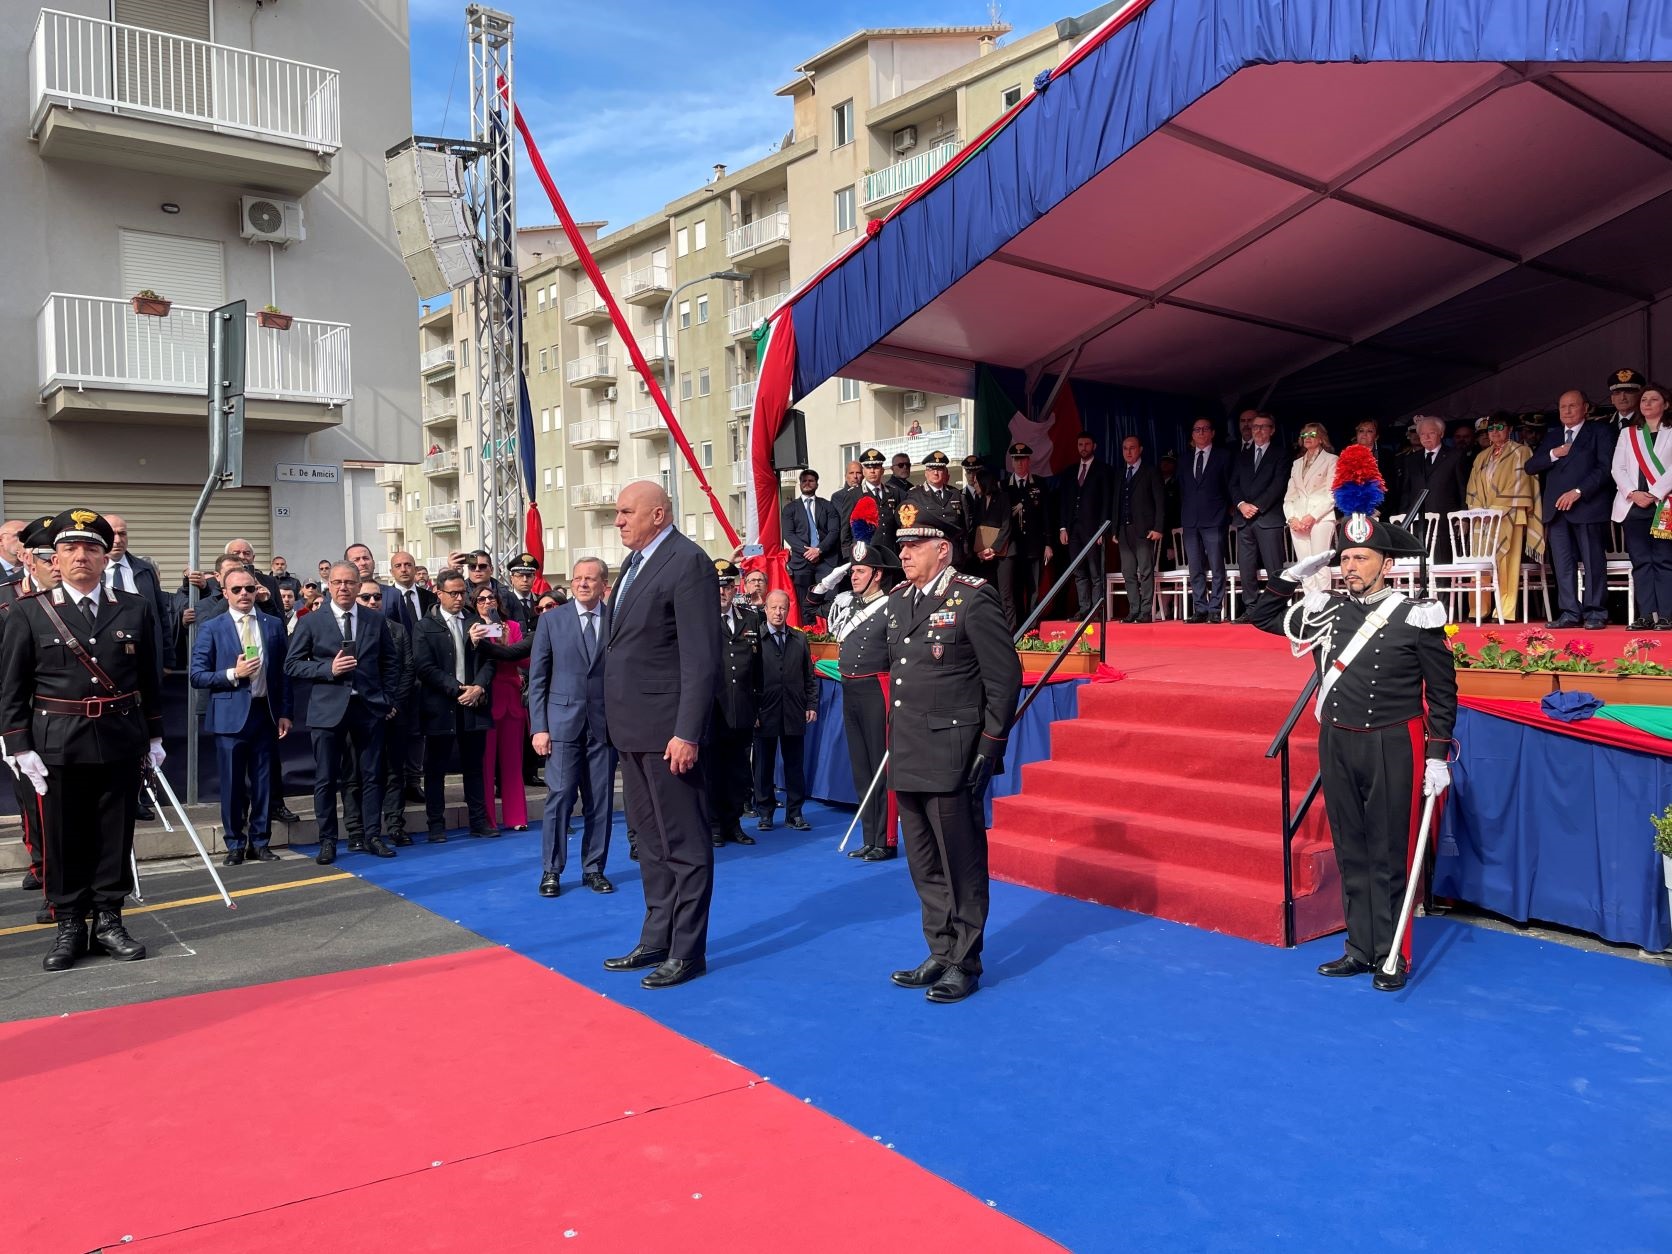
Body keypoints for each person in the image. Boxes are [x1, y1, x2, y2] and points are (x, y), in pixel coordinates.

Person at [1247, 490, 1457, 993]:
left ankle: (1392, 953)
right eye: (1344, 558)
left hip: (1394, 742)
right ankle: (1360, 948)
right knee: (1351, 848)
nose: (1352, 566)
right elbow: (1258, 615)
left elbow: (1444, 693)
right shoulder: (1328, 611)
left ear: (1386, 563)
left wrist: (1437, 754)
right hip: (1338, 742)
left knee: (1390, 851)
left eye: (1362, 557)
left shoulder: (1416, 615)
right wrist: (1292, 575)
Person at [0, 509, 165, 971]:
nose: (80, 557)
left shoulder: (134, 608)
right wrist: (18, 746)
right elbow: (12, 687)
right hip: (57, 744)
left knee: (115, 834)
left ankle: (110, 919)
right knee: (63, 837)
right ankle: (70, 922)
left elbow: (149, 679)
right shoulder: (29, 612)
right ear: (54, 558)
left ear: (104, 556)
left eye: (91, 548)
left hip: (118, 739)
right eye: (70, 548)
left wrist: (154, 736)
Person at [885, 500, 1021, 1003]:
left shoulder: (973, 599)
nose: (905, 555)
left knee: (960, 862)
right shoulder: (901, 599)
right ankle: (940, 949)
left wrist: (990, 745)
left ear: (942, 550)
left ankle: (965, 961)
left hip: (953, 753)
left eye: (915, 546)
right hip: (910, 751)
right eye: (902, 547)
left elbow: (1004, 680)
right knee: (923, 863)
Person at [600, 481, 720, 990]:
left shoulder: (687, 561)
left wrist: (686, 732)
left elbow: (700, 657)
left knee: (684, 845)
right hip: (631, 729)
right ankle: (656, 938)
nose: (619, 521)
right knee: (649, 844)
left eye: (627, 512)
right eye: (617, 513)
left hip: (668, 733)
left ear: (658, 513)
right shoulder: (634, 563)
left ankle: (688, 951)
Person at [284, 561, 398, 865]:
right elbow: (292, 665)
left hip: (368, 708)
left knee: (372, 776)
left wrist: (385, 699)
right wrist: (328, 669)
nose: (343, 587)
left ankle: (373, 835)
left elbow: (390, 663)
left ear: (360, 586)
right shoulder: (311, 621)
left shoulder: (375, 620)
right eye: (337, 582)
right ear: (328, 585)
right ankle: (328, 841)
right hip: (327, 710)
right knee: (325, 778)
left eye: (350, 582)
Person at [189, 566, 293, 864]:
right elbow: (197, 675)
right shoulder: (213, 627)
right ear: (225, 593)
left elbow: (283, 673)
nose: (244, 594)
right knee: (233, 784)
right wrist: (234, 673)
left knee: (263, 783)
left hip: (265, 713)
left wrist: (285, 712)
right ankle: (235, 842)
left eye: (249, 588)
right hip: (230, 716)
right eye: (237, 590)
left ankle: (260, 841)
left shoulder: (272, 624)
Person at [529, 556, 616, 896]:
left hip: (604, 728)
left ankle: (594, 868)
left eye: (590, 579)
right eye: (577, 577)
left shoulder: (616, 621)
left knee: (601, 802)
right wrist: (539, 727)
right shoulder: (552, 621)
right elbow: (537, 679)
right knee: (560, 798)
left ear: (603, 585)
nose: (582, 583)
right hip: (562, 727)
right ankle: (551, 870)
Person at [821, 535, 902, 861]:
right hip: (851, 689)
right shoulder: (849, 604)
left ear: (877, 574)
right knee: (861, 768)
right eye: (852, 571)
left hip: (876, 688)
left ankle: (886, 840)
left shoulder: (892, 605)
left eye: (859, 571)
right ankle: (870, 836)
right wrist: (833, 576)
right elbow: (814, 600)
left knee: (881, 768)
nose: (852, 576)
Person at [411, 569, 497, 840]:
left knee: (474, 767)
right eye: (454, 593)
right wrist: (456, 688)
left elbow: (489, 660)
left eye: (463, 592)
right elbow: (424, 667)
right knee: (435, 769)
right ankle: (435, 825)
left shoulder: (474, 621)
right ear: (439, 593)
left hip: (473, 704)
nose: (460, 598)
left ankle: (478, 821)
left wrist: (478, 687)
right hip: (441, 706)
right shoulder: (425, 626)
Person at [1526, 390, 1615, 629]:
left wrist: (1578, 492)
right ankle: (1569, 612)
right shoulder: (1554, 436)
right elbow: (1531, 466)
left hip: (1587, 505)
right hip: (1557, 511)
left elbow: (1605, 469)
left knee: (1593, 562)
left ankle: (1596, 612)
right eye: (1562, 406)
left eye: (1572, 406)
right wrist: (1555, 453)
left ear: (1585, 407)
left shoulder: (1600, 431)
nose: (1566, 411)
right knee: (1562, 564)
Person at [1465, 413, 1543, 621]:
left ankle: (1504, 609)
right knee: (1480, 562)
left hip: (1509, 514)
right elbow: (1472, 487)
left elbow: (1520, 481)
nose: (1495, 432)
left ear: (1509, 429)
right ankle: (1478, 609)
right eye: (1491, 429)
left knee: (1506, 561)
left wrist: (1496, 509)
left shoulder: (1521, 451)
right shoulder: (1482, 456)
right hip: (1483, 519)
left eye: (1500, 427)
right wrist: (1480, 511)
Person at [752, 589, 817, 832]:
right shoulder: (755, 639)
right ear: (766, 609)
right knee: (763, 766)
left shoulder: (799, 639)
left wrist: (811, 704)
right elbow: (749, 679)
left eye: (783, 608)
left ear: (788, 611)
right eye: (774, 608)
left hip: (793, 710)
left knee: (794, 765)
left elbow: (808, 676)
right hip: (764, 712)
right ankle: (765, 813)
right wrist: (753, 711)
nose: (779, 613)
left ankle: (795, 814)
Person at [707, 560, 760, 848]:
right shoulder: (701, 620)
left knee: (739, 770)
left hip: (741, 707)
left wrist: (758, 706)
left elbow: (758, 666)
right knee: (713, 769)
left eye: (727, 586)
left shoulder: (749, 619)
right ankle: (714, 824)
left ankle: (734, 823)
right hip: (713, 710)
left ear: (734, 587)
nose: (722, 592)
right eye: (717, 587)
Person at [1612, 381, 1672, 628]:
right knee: (1641, 562)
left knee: (1664, 560)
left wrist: (1655, 493)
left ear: (1666, 404)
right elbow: (1618, 467)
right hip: (1633, 506)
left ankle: (1667, 615)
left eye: (1653, 399)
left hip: (1664, 505)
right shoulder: (1629, 433)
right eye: (1644, 400)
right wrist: (1633, 493)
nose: (1647, 403)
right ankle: (1647, 615)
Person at [473, 584, 528, 832]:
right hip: (486, 699)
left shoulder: (512, 627)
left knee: (513, 762)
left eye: (491, 597)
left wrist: (507, 645)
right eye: (481, 599)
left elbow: (524, 659)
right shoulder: (472, 627)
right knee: (484, 763)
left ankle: (516, 816)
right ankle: (487, 819)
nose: (487, 602)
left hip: (511, 698)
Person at [1228, 414, 1291, 621]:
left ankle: (1276, 610)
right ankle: (1251, 609)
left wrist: (1257, 506)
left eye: (1263, 427)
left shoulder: (1280, 453)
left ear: (1272, 430)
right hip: (1244, 519)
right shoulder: (1243, 455)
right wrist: (1241, 505)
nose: (1258, 430)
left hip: (1268, 517)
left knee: (1274, 567)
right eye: (1255, 427)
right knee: (1246, 568)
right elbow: (1233, 484)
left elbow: (1278, 483)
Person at [1178, 417, 1234, 622]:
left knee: (1217, 566)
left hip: (1215, 518)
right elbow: (1183, 489)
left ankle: (1215, 609)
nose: (1201, 433)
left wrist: (1226, 510)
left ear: (1212, 433)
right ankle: (1200, 608)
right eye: (1197, 430)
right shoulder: (1184, 459)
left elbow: (1229, 487)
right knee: (1195, 567)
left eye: (1205, 429)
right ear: (1192, 435)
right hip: (1190, 520)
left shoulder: (1223, 456)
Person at [1391, 417, 1467, 562]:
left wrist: (1463, 516)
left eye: (1431, 433)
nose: (1426, 438)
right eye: (1422, 434)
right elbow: (1406, 492)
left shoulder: (1455, 456)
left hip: (1445, 521)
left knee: (1441, 564)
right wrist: (1403, 518)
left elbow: (1462, 488)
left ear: (1441, 434)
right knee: (1418, 564)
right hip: (1417, 522)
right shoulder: (1411, 460)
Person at [1055, 433, 1114, 620]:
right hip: (1073, 529)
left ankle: (1097, 611)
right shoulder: (1070, 471)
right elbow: (1064, 501)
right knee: (1078, 571)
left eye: (1087, 444)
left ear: (1094, 446)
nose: (1083, 447)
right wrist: (1063, 527)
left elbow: (1106, 501)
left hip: (1094, 529)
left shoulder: (1103, 470)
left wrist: (1103, 529)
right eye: (1080, 444)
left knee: (1096, 571)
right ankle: (1084, 609)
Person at [998, 442, 1054, 631]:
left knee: (1034, 588)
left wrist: (1048, 543)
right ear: (1011, 463)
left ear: (1028, 461)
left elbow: (1046, 515)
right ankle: (1019, 626)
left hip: (1034, 546)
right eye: (1016, 460)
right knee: (1015, 588)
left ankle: (1032, 626)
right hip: (1012, 548)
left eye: (1022, 459)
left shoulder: (1039, 483)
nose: (1019, 463)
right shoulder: (1004, 486)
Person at [1114, 435, 1166, 623]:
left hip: (1145, 529)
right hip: (1124, 529)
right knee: (1128, 572)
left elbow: (1160, 502)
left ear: (1140, 449)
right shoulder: (1120, 474)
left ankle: (1145, 611)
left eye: (1132, 448)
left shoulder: (1150, 471)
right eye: (1125, 448)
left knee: (1145, 570)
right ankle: (1133, 609)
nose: (1128, 452)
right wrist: (1114, 529)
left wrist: (1158, 527)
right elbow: (1116, 503)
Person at [1282, 425, 1340, 593]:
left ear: (1321, 437)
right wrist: (1292, 518)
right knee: (1304, 565)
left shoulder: (1331, 460)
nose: (1307, 437)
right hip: (1298, 519)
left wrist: (1312, 516)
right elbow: (1289, 496)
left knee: (1319, 562)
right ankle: (1309, 604)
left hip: (1321, 517)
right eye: (1304, 434)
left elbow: (1331, 494)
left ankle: (1324, 603)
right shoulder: (1296, 463)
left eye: (1312, 434)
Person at [782, 469, 841, 623]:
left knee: (830, 599)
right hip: (801, 562)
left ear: (817, 484)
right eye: (804, 481)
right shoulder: (790, 508)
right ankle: (807, 635)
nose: (807, 484)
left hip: (826, 560)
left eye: (811, 481)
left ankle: (830, 635)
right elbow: (788, 534)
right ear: (800, 484)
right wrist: (808, 552)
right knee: (804, 604)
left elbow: (834, 531)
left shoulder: (827, 506)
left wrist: (819, 550)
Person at [845, 449, 902, 552]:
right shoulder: (854, 494)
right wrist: (847, 554)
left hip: (890, 551)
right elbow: (845, 529)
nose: (872, 471)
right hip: (866, 551)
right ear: (863, 471)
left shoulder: (893, 492)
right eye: (868, 467)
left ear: (882, 470)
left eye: (876, 467)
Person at [965, 466, 1010, 585]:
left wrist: (994, 548)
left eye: (976, 482)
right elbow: (975, 528)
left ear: (983, 482)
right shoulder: (979, 501)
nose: (974, 485)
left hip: (1001, 554)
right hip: (983, 556)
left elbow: (1006, 526)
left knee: (1005, 594)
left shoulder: (1002, 498)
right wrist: (978, 551)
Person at [830, 461, 864, 562]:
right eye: (851, 473)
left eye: (858, 473)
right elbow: (844, 522)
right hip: (848, 547)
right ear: (845, 476)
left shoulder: (867, 493)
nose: (855, 476)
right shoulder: (838, 497)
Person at [1603, 367, 1645, 433]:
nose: (1623, 397)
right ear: (1612, 399)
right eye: (1617, 393)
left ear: (1639, 396)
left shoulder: (1647, 423)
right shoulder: (1602, 424)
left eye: (1628, 392)